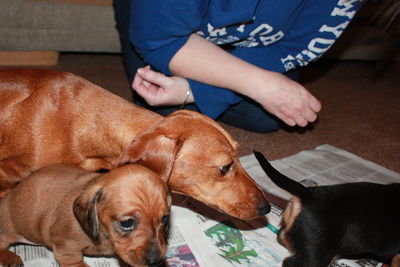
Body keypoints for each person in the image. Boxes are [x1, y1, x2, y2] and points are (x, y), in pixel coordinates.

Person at [112, 0, 391, 133]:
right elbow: (161, 40)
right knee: (161, 108)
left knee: (267, 117)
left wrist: (192, 89)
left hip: (245, 39)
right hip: (160, 23)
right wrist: (259, 84)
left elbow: (288, 49)